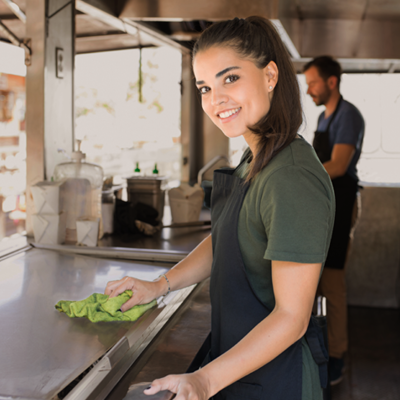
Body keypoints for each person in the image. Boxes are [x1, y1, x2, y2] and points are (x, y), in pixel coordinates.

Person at [105, 17, 335, 400]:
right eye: (205, 87)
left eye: (230, 79)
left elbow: (292, 318)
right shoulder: (256, 158)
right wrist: (158, 286)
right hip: (241, 371)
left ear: (270, 75)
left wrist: (205, 380)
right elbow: (227, 240)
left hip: (276, 383)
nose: (215, 99)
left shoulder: (291, 177)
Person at [303, 56, 365, 385]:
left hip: (341, 205)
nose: (308, 89)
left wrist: (298, 175)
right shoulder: (323, 117)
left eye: (312, 82)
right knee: (315, 281)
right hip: (324, 206)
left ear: (331, 82)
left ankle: (338, 355)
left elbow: (339, 165)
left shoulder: (348, 115)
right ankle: (319, 349)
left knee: (333, 282)